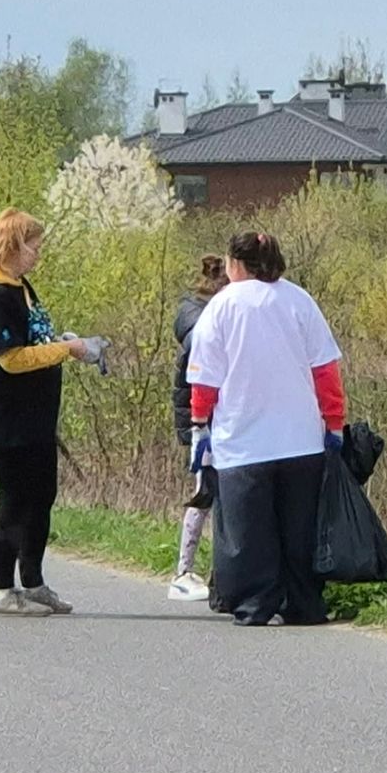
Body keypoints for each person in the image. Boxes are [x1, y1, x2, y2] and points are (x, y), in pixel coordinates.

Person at [0, 208, 109, 617]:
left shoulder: (20, 286)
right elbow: (12, 358)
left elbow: (34, 338)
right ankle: (1, 590)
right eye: (34, 247)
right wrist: (67, 350)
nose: (38, 254)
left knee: (42, 496)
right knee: (14, 501)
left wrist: (62, 341)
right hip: (9, 415)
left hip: (37, 414)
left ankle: (34, 583)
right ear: (13, 246)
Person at [186, 232, 346, 626]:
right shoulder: (299, 301)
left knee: (248, 533)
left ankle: (256, 604)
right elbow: (325, 371)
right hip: (300, 439)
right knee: (298, 529)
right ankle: (303, 602)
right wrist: (334, 422)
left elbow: (205, 380)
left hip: (243, 441)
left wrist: (199, 424)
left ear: (234, 263)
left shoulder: (222, 306)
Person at [168, 254, 228, 602]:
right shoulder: (194, 312)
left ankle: (221, 571)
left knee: (224, 497)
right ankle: (183, 571)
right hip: (203, 421)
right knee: (205, 493)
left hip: (226, 417)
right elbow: (197, 343)